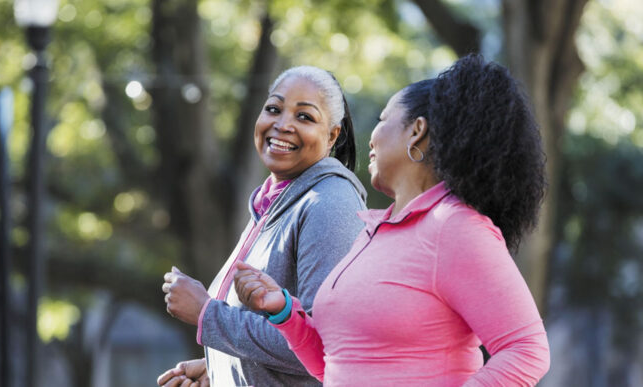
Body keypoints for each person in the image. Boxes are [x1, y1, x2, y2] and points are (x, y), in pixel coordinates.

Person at [234, 54, 551, 386]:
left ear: (417, 131)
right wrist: (285, 313)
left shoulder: (454, 227)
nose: (370, 137)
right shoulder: (373, 233)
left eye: (383, 119)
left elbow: (526, 349)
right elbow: (338, 364)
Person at [157, 66, 368, 387]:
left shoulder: (329, 202)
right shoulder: (274, 203)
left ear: (333, 135)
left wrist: (206, 313)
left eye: (305, 117)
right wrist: (219, 368)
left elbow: (322, 346)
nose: (282, 125)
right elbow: (275, 339)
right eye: (273, 109)